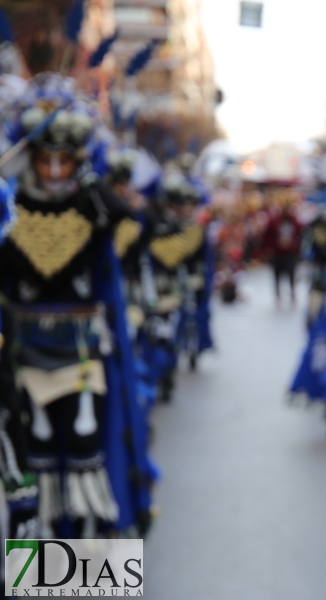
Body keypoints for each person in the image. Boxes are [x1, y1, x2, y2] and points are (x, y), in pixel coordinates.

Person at [0, 73, 152, 537]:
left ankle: (88, 559)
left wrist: (95, 182)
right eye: (44, 159)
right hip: (22, 348)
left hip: (83, 348)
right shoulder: (13, 203)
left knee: (86, 448)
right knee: (36, 450)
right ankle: (42, 561)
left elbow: (132, 232)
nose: (52, 170)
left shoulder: (91, 201)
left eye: (63, 160)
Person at [262, 195, 303, 305]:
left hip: (290, 253)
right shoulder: (274, 222)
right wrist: (269, 249)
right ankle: (278, 294)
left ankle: (292, 293)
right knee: (277, 275)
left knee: (291, 274)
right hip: (277, 253)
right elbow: (266, 236)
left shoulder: (295, 221)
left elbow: (300, 234)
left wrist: (295, 247)